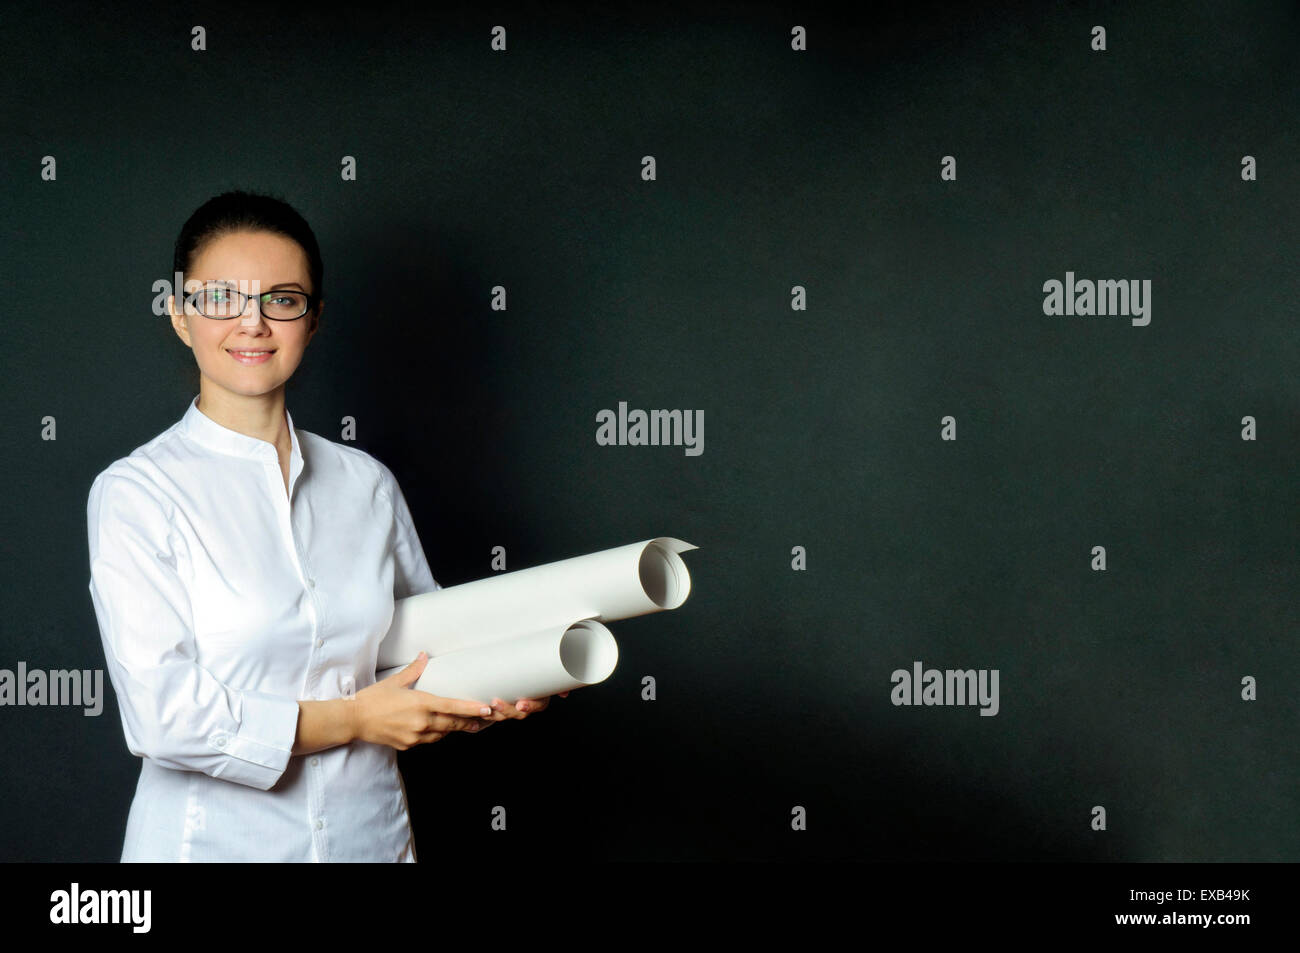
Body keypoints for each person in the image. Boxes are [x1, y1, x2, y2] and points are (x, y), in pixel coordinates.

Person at [86, 190, 563, 862]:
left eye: (281, 299)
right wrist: (357, 718)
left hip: (367, 840)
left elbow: (420, 651)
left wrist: (508, 676)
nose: (252, 323)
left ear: (312, 320)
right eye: (221, 297)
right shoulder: (137, 493)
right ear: (179, 313)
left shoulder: (365, 483)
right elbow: (166, 718)